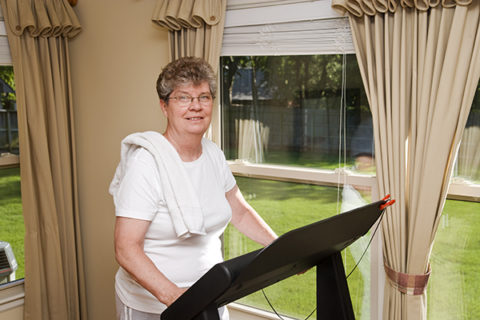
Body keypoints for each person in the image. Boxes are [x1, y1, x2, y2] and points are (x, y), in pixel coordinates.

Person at [109, 56, 278, 320]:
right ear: (164, 106)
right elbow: (126, 248)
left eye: (204, 97)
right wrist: (180, 301)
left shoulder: (213, 154)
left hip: (212, 296)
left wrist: (280, 248)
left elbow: (240, 212)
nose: (196, 106)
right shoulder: (146, 164)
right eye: (183, 98)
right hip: (156, 306)